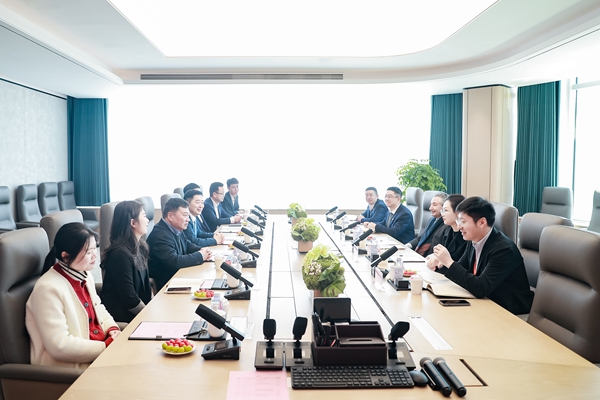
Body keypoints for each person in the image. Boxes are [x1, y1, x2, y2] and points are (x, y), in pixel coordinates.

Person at [26, 222, 120, 369]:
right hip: (70, 368)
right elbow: (59, 346)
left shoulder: (84, 275)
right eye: (88, 252)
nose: (95, 255)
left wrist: (111, 329)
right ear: (66, 256)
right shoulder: (47, 289)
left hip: (97, 354)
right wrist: (105, 346)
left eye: (94, 248)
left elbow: (98, 308)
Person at [431, 196, 534, 315]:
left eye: (463, 221)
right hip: (486, 302)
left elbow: (481, 288)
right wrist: (441, 264)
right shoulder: (473, 240)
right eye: (458, 221)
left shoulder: (504, 249)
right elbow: (462, 269)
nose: (459, 226)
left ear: (482, 222)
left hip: (509, 311)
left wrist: (449, 262)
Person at [101, 200, 153, 323]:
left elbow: (145, 289)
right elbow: (129, 298)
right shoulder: (120, 254)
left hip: (140, 312)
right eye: (144, 216)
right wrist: (149, 316)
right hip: (125, 317)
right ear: (133, 223)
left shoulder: (141, 246)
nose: (147, 220)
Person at [148, 198, 212, 290]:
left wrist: (202, 250)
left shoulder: (176, 228)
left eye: (188, 216)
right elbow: (175, 261)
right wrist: (200, 255)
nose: (188, 220)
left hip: (180, 276)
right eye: (185, 215)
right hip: (168, 284)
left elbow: (187, 244)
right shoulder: (160, 235)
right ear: (170, 216)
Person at [426, 194, 467, 269]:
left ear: (458, 213)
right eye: (442, 211)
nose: (442, 214)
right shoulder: (447, 231)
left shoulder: (467, 237)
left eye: (446, 210)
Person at [406, 192, 449, 256]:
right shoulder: (431, 220)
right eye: (430, 204)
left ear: (444, 207)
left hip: (430, 257)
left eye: (434, 205)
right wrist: (407, 245)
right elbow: (421, 237)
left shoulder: (446, 225)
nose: (430, 208)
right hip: (418, 254)